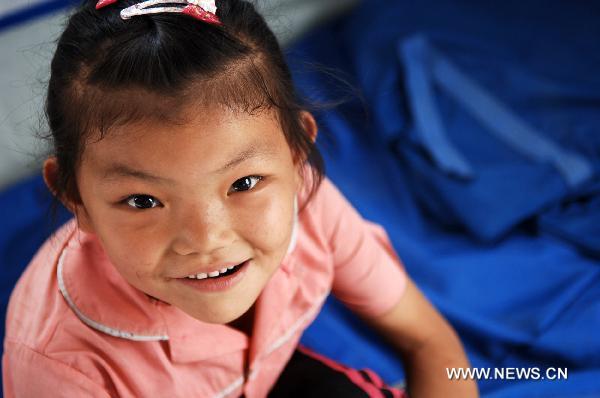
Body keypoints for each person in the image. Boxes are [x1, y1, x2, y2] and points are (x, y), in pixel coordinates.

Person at [2, 0, 478, 396]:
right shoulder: (61, 367)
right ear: (74, 198)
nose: (206, 239)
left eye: (244, 184)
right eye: (143, 201)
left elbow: (429, 344)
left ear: (297, 157)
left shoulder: (311, 206)